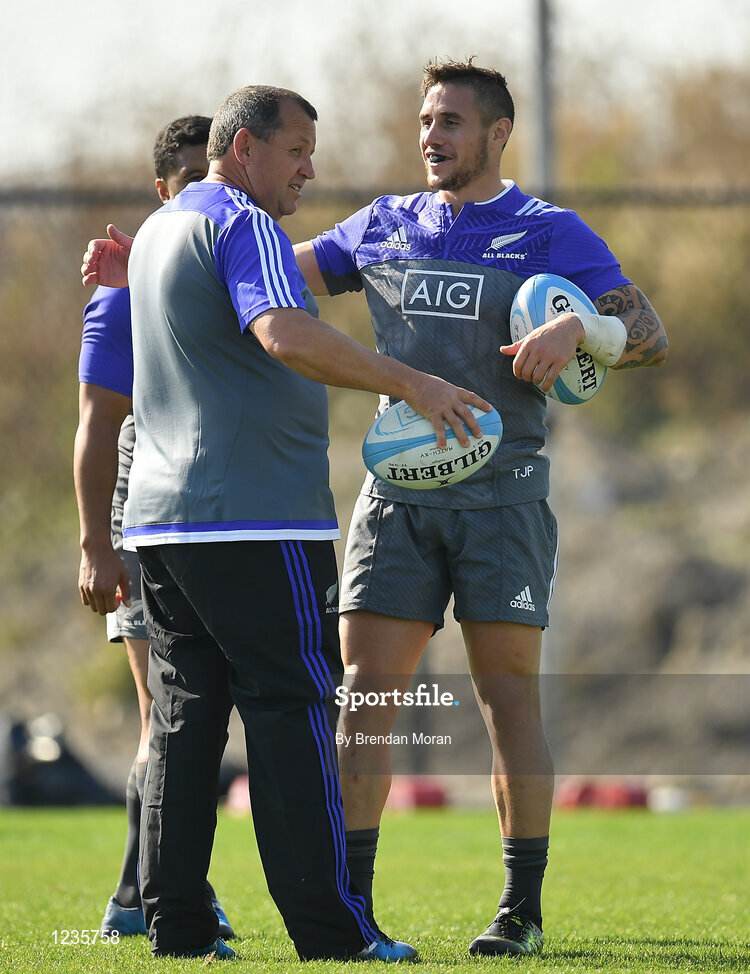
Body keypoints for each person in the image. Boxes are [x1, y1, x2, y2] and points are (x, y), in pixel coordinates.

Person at [81, 83, 489, 962]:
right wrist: (412, 382)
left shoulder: (158, 230)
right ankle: (333, 934)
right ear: (242, 150)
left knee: (186, 730)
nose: (310, 167)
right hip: (252, 522)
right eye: (296, 149)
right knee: (294, 715)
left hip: (162, 526)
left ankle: (178, 931)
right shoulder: (242, 221)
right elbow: (283, 333)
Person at [290, 58, 669, 958]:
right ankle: (354, 911)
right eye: (426, 120)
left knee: (508, 706)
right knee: (363, 702)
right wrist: (156, 262)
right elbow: (278, 276)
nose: (432, 136)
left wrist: (581, 327)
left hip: (504, 503)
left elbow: (647, 334)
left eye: (451, 122)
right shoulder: (384, 223)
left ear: (497, 134)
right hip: (396, 503)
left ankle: (519, 911)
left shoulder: (548, 231)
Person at [74, 115, 235, 940]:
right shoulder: (124, 303)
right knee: (162, 717)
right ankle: (143, 897)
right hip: (148, 512)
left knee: (193, 716)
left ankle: (157, 892)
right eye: (182, 178)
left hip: (218, 512)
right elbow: (100, 430)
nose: (198, 194)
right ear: (161, 190)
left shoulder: (226, 269)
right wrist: (96, 545)